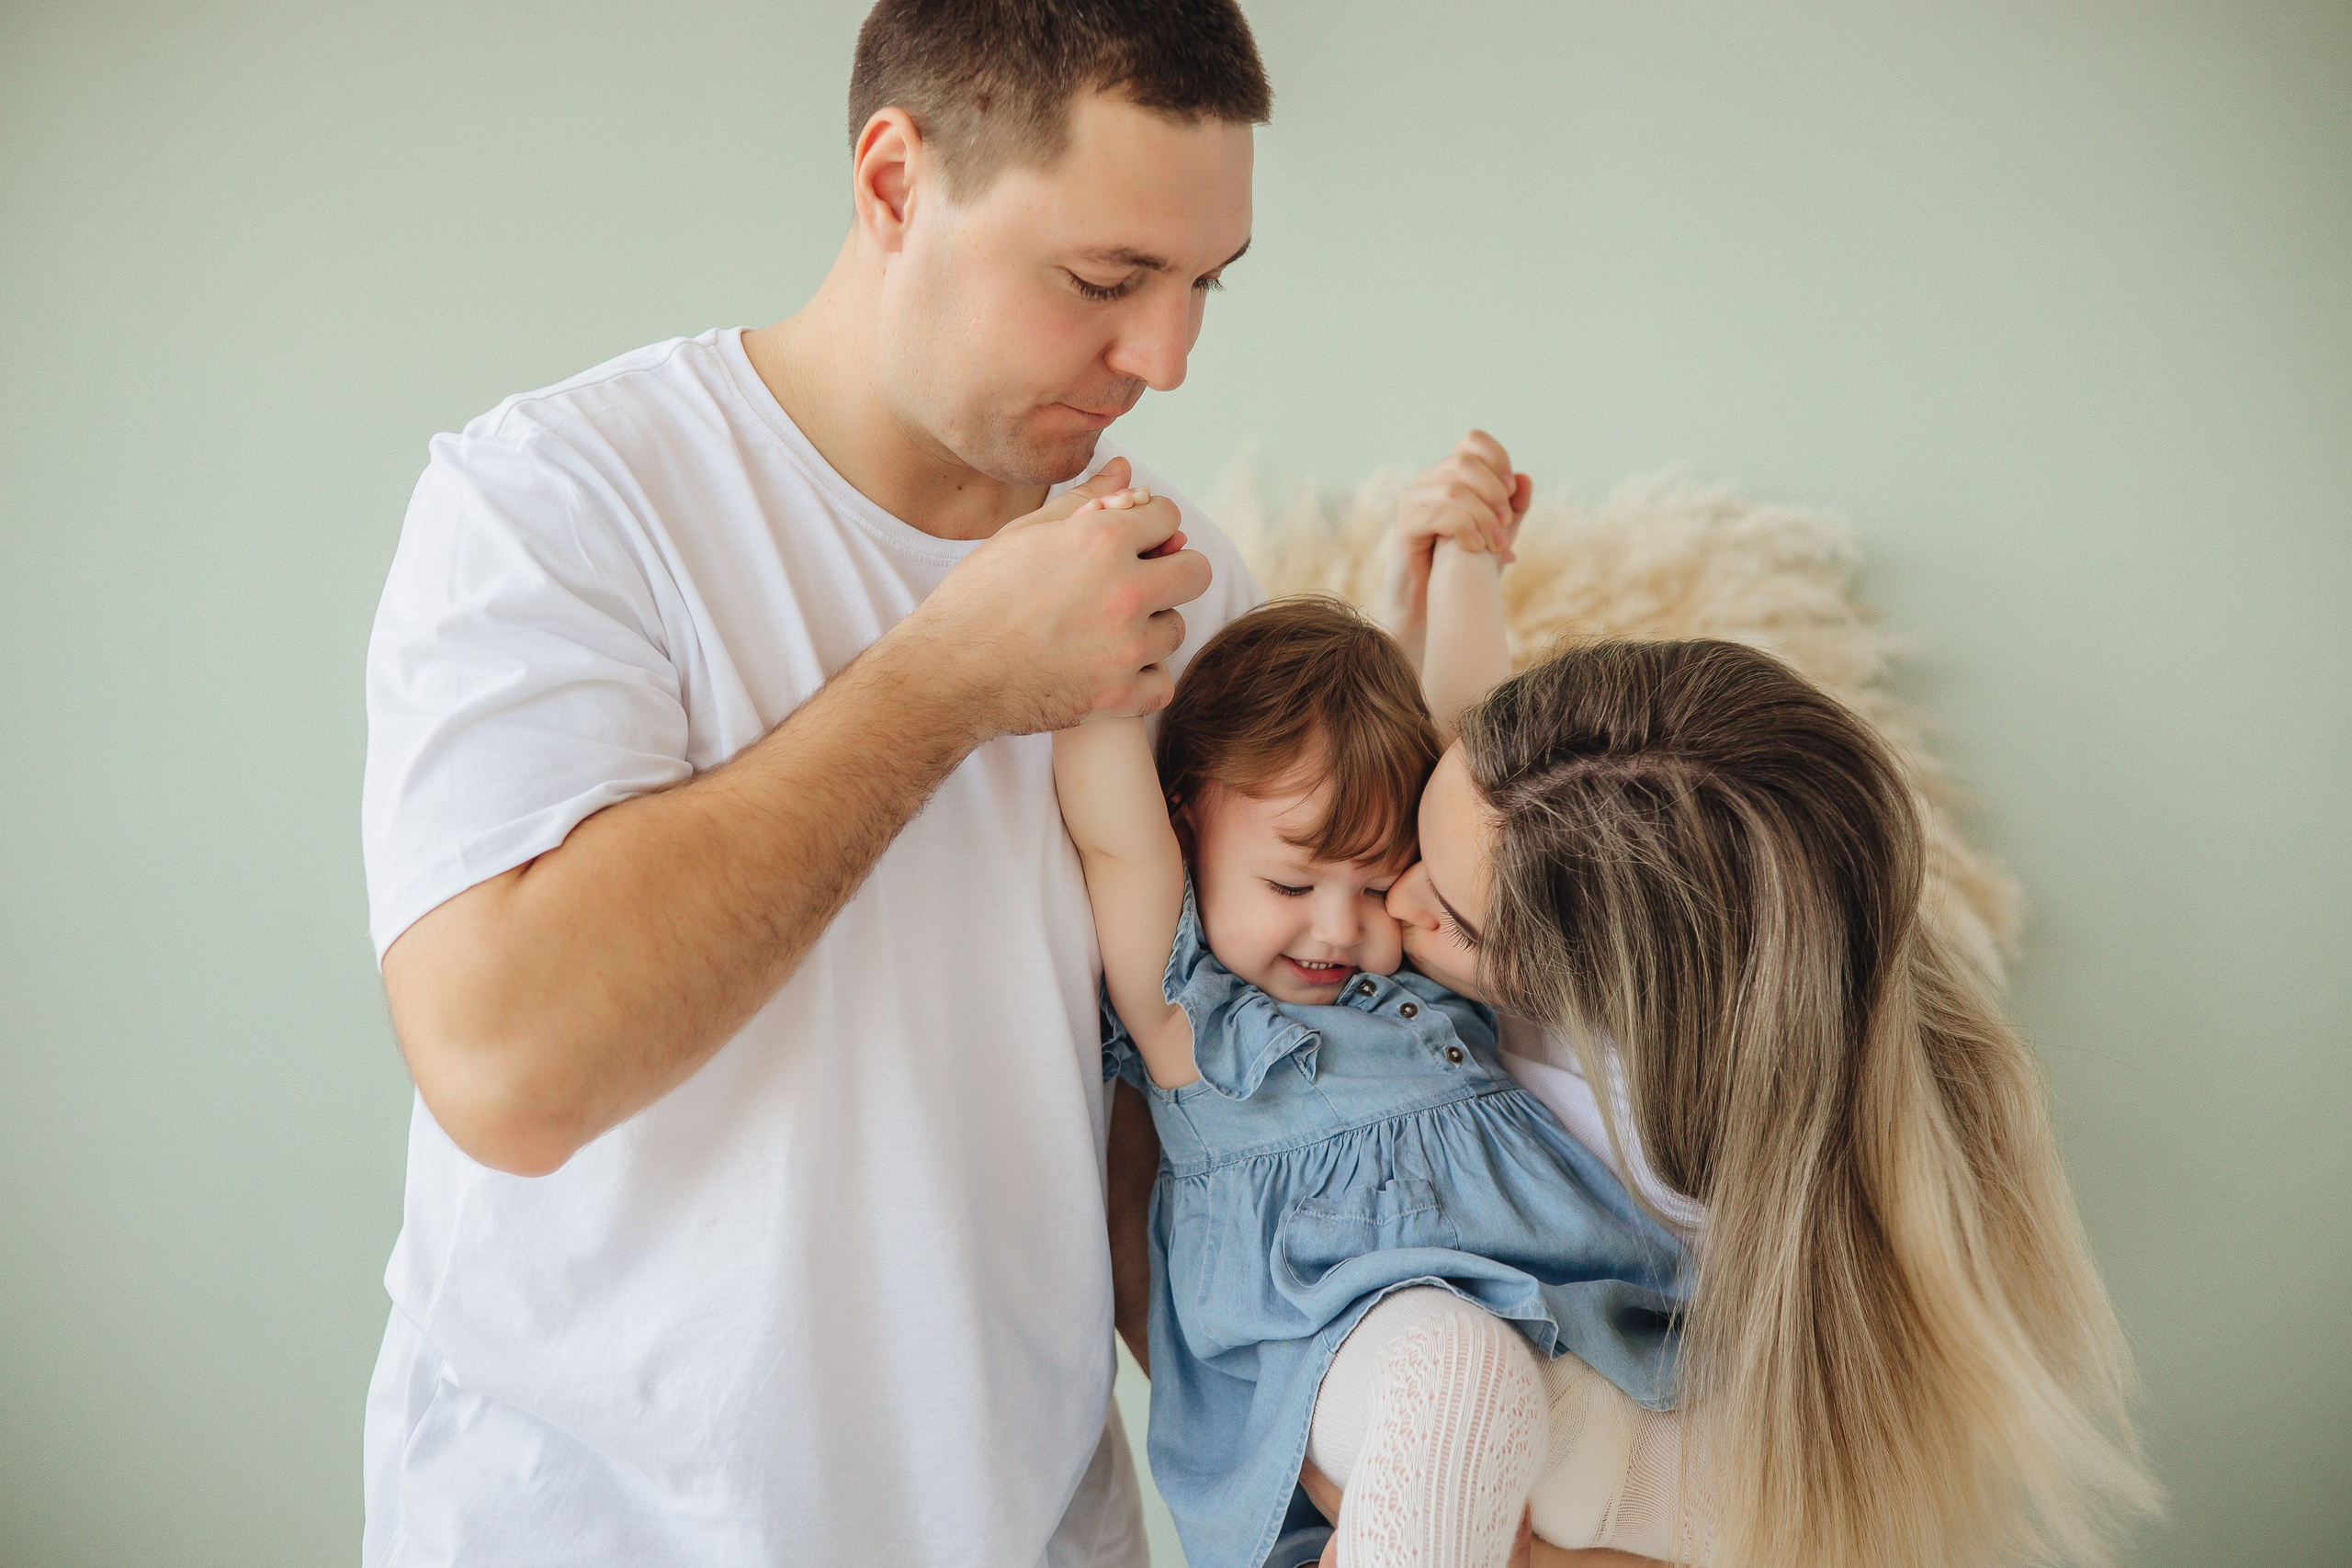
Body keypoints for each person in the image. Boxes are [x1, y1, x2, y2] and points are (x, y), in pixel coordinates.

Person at [357, 3, 1271, 1563]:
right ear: (895, 183)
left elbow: (1180, 1140)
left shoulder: (1179, 588)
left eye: (1203, 287)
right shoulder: (558, 504)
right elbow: (507, 1062)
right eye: (1105, 281)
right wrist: (951, 679)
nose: (1164, 359)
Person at [1274, 434, 2158, 1566]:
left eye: (1453, 918)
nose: (1389, 904)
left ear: (1620, 994)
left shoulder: (1764, 1179)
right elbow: (1470, 738)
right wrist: (1453, 571)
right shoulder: (1524, 836)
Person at [1051, 488, 1690, 1568]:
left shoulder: (1429, 947)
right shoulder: (1188, 1014)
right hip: (1346, 1347)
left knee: (1752, 1466)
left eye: (1376, 873)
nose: (1340, 925)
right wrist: (1095, 621)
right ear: (1186, 827)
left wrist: (1467, 565)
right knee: (1461, 1373)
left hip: (1577, 1325)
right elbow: (1110, 826)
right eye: (1293, 880)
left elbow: (1482, 762)